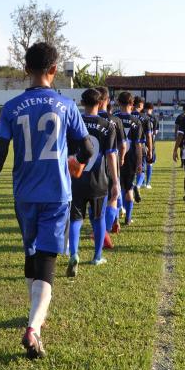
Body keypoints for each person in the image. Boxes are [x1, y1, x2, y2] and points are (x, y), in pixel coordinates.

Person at [0, 42, 94, 359]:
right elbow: (88, 149)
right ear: (54, 70)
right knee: (47, 260)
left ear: (26, 69)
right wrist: (77, 162)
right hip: (56, 193)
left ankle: (33, 316)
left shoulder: (11, 107)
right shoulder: (66, 105)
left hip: (23, 194)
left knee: (31, 254)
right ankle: (33, 328)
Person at [66, 89, 120, 277]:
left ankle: (74, 254)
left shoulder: (74, 123)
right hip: (99, 181)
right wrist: (115, 182)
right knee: (98, 219)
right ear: (100, 103)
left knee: (75, 219)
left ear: (82, 103)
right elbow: (111, 155)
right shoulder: (108, 124)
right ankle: (97, 256)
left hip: (76, 179)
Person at [97, 86, 126, 235]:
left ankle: (107, 224)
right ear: (107, 100)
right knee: (113, 196)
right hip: (110, 164)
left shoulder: (84, 119)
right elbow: (122, 145)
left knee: (96, 199)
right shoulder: (115, 120)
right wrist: (121, 158)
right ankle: (107, 228)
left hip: (91, 166)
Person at [115, 92, 144, 225]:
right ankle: (128, 218)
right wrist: (139, 163)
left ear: (118, 103)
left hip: (115, 157)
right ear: (132, 104)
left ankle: (116, 216)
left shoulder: (113, 118)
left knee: (115, 186)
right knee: (129, 187)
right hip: (131, 158)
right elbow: (138, 145)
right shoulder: (136, 121)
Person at [143, 102, 158, 188]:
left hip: (141, 142)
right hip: (151, 143)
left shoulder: (141, 117)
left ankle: (141, 182)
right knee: (150, 163)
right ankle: (147, 183)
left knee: (141, 162)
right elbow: (155, 132)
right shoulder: (154, 118)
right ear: (152, 109)